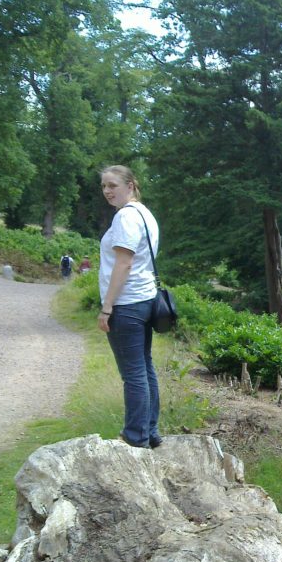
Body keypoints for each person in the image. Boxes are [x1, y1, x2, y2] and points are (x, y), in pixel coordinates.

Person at [97, 165, 162, 449]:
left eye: (113, 185)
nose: (108, 191)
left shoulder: (125, 217)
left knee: (134, 373)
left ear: (131, 185)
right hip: (146, 299)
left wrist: (107, 307)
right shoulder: (145, 214)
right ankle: (150, 431)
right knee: (144, 368)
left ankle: (136, 437)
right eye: (104, 187)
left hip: (127, 304)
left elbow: (124, 263)